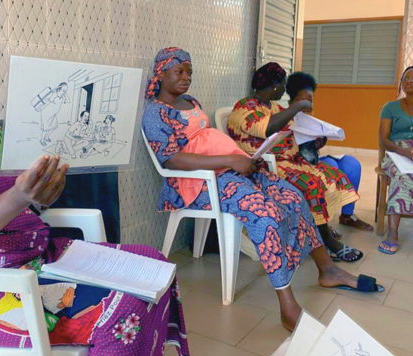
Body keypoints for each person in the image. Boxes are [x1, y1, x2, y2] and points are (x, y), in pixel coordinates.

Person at [0, 28, 189, 356]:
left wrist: (40, 197)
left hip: (37, 259)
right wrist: (20, 196)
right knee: (124, 309)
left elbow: (24, 208)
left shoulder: (1, 135)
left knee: (156, 263)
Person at [142, 47, 383, 331]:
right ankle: (287, 307)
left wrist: (241, 160)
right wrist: (231, 158)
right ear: (161, 73)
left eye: (189, 72)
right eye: (179, 72)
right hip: (196, 183)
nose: (186, 78)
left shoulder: (190, 101)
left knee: (293, 196)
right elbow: (172, 159)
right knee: (265, 214)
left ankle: (327, 269)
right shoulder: (155, 113)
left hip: (228, 168)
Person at [228, 63, 364, 263]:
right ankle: (326, 241)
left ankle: (318, 228)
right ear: (275, 85)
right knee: (312, 185)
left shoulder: (272, 106)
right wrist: (297, 106)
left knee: (334, 175)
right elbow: (266, 129)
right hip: (263, 167)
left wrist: (318, 138)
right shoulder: (244, 108)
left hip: (288, 161)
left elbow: (295, 130)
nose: (284, 89)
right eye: (282, 84)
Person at [285, 72, 374, 235]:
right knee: (331, 166)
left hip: (314, 159)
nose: (306, 105)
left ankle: (347, 215)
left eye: (310, 101)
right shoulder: (284, 117)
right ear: (291, 99)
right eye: (301, 101)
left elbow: (312, 145)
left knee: (351, 164)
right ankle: (322, 223)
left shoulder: (308, 116)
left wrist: (321, 141)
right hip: (298, 164)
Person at [377, 66, 413, 254]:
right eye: (405, 78)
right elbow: (383, 139)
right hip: (396, 152)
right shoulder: (390, 107)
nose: (408, 82)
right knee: (402, 176)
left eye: (412, 79)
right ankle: (392, 233)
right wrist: (404, 152)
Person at [39, 82, 70, 147]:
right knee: (45, 128)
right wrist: (41, 108)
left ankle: (46, 137)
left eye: (66, 90)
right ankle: (42, 140)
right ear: (59, 89)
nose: (64, 92)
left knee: (53, 127)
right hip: (47, 113)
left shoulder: (62, 97)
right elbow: (47, 103)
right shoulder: (54, 95)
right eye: (63, 90)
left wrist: (64, 93)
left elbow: (68, 100)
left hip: (53, 114)